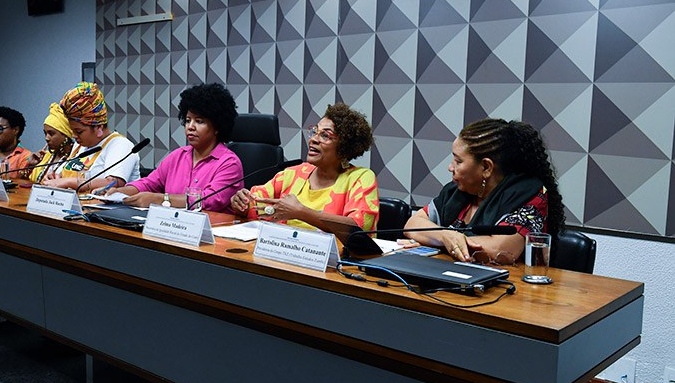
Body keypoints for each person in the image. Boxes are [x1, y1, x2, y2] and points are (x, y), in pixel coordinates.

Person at [404, 118, 565, 264]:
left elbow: (500, 250)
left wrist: (435, 240)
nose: (450, 167)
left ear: (486, 167)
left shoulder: (529, 195)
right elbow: (413, 224)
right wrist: (444, 236)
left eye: (458, 161)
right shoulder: (456, 191)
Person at [230, 103, 379, 232]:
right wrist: (242, 204)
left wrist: (300, 212)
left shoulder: (360, 178)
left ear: (345, 147)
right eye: (315, 132)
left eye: (325, 135)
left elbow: (358, 228)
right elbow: (255, 205)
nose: (313, 139)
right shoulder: (293, 173)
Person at [113, 83, 243, 213]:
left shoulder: (229, 163)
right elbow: (149, 183)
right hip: (172, 223)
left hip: (212, 225)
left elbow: (208, 201)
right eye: (188, 120)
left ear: (217, 127)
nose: (190, 127)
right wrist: (118, 192)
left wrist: (160, 199)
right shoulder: (178, 156)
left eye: (199, 121)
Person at [43, 82, 139, 191]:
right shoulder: (80, 145)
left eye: (79, 131)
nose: (74, 136)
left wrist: (69, 182)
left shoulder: (120, 145)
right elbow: (65, 176)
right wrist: (56, 177)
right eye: (72, 130)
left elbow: (114, 183)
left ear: (98, 127)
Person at [24, 103, 75, 183]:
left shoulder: (75, 157)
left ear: (66, 135)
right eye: (45, 133)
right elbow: (25, 184)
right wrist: (30, 166)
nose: (46, 138)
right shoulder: (46, 157)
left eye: (51, 134)